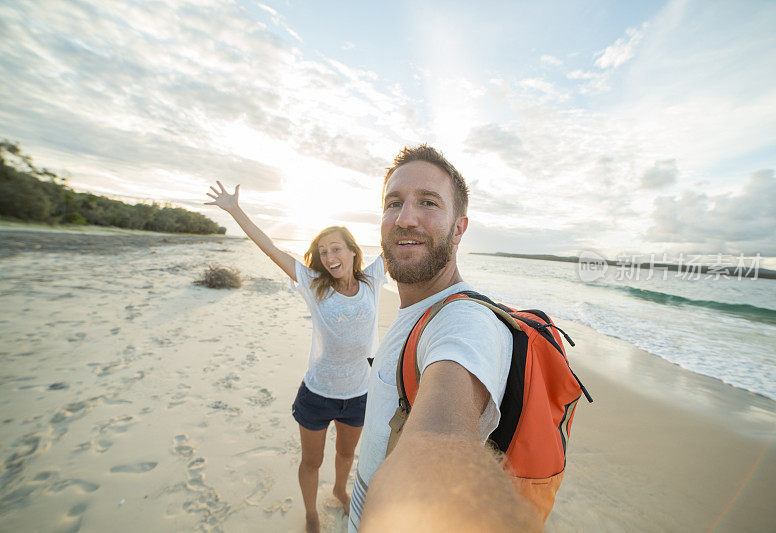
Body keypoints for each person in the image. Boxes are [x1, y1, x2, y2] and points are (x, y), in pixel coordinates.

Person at [349, 146, 540, 531]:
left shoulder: (465, 321)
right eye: (394, 203)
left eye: (428, 202)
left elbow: (440, 441)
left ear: (458, 228)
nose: (405, 219)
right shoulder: (415, 311)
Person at [205, 181, 387, 533]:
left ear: (352, 251)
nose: (329, 257)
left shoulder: (372, 281)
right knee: (312, 460)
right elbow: (270, 248)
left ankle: (339, 489)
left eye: (336, 248)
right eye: (323, 251)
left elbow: (393, 238)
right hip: (318, 394)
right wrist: (235, 210)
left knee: (347, 455)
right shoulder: (312, 284)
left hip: (358, 395)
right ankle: (310, 512)